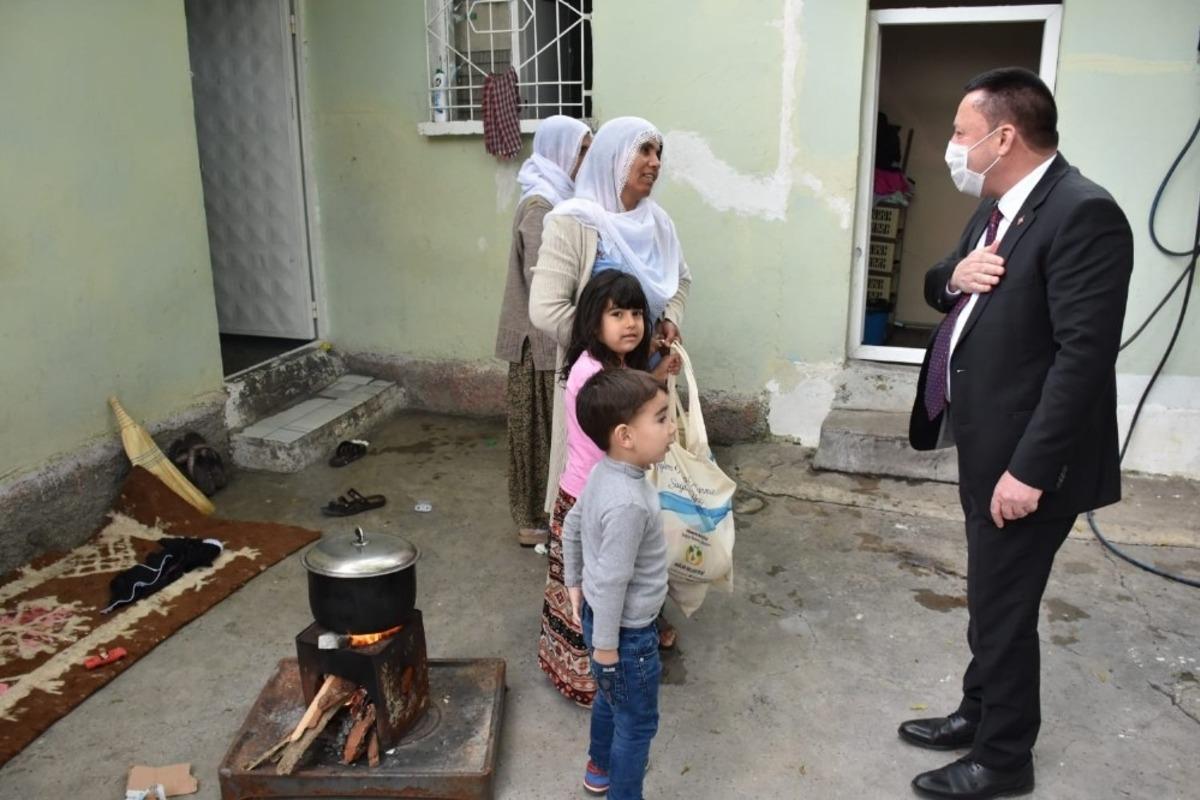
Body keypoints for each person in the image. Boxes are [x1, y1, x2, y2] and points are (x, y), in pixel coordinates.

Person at [904, 68, 1133, 799]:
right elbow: (943, 279)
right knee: (990, 593)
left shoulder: (1084, 214)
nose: (952, 148)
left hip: (1033, 463)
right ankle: (978, 710)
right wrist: (954, 277)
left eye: (962, 135)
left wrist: (1030, 471)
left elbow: (1084, 358)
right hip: (988, 442)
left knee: (1003, 603)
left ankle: (1004, 758)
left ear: (1004, 137)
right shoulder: (1002, 205)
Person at [530, 115, 691, 649]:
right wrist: (609, 348)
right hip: (597, 397)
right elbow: (545, 308)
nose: (654, 163)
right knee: (591, 511)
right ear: (614, 158)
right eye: (643, 151)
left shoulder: (657, 223)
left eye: (658, 153)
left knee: (642, 507)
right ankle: (587, 643)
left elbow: (679, 279)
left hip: (644, 390)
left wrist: (669, 320)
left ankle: (641, 614)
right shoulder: (572, 222)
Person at [537, 271, 679, 707]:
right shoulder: (589, 375)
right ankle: (590, 675)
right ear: (592, 321)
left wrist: (653, 369)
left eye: (636, 313)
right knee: (594, 587)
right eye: (616, 314)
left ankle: (624, 649)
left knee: (615, 581)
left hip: (606, 492)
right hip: (590, 498)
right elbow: (619, 429)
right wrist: (655, 380)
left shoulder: (614, 366)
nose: (631, 323)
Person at [562, 368, 674, 799]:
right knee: (638, 723)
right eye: (661, 419)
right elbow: (610, 582)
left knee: (611, 703)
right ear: (626, 436)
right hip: (627, 637)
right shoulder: (629, 502)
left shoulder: (604, 473)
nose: (671, 427)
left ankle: (599, 767)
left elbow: (572, 525)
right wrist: (608, 649)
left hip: (602, 625)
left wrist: (574, 581)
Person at [495, 115, 591, 548]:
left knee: (552, 435)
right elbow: (544, 285)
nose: (585, 160)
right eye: (581, 150)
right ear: (562, 152)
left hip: (552, 342)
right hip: (540, 345)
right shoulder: (541, 207)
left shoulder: (559, 200)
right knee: (537, 436)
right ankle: (534, 519)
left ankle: (550, 515)